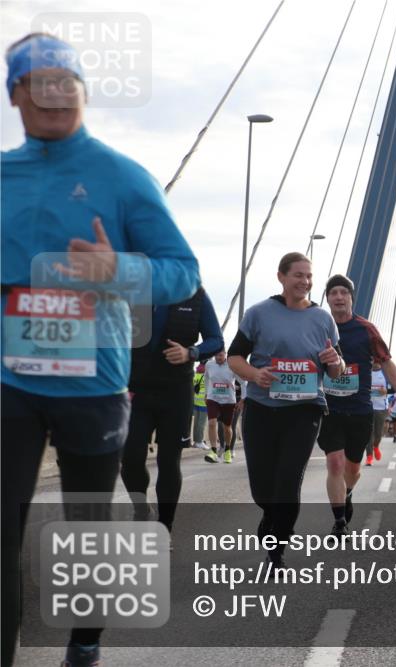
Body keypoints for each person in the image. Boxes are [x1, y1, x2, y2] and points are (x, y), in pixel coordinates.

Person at [1, 32, 200, 667]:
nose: (56, 94)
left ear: (84, 92)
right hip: (10, 383)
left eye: (69, 82)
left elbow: (183, 272)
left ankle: (84, 644)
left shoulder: (121, 176)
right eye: (41, 82)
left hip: (94, 383)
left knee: (85, 533)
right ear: (16, 94)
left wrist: (117, 272)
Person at [227, 253, 344, 572]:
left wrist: (334, 362)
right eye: (298, 275)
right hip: (262, 408)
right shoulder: (258, 314)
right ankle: (271, 514)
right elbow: (234, 357)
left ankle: (277, 548)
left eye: (309, 276)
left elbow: (336, 370)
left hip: (305, 410)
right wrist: (254, 374)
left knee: (289, 477)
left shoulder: (323, 319)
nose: (305, 281)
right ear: (281, 277)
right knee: (263, 486)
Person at [121, 286, 223, 531]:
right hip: (135, 390)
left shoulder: (195, 295)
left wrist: (191, 352)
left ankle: (165, 527)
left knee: (169, 461)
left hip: (175, 392)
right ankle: (141, 508)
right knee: (131, 459)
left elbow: (216, 339)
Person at [319, 275, 396, 539]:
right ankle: (339, 522)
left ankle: (346, 492)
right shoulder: (319, 327)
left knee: (353, 470)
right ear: (328, 299)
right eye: (333, 292)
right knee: (334, 463)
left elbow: (387, 361)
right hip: (329, 408)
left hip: (359, 409)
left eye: (343, 292)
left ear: (351, 298)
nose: (338, 297)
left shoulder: (366, 328)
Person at [202, 349, 239, 463]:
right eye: (216, 355)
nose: (218, 357)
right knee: (212, 423)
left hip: (228, 400)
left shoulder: (232, 365)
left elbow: (242, 381)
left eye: (221, 355)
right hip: (213, 398)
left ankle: (227, 449)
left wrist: (243, 398)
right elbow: (207, 378)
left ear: (225, 354)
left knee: (227, 427)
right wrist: (206, 393)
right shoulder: (209, 364)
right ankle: (213, 451)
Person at [367, 362, 389, 466]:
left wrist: (385, 391)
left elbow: (392, 388)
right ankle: (369, 457)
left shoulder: (385, 373)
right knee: (369, 433)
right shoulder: (366, 371)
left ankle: (376, 446)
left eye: (377, 360)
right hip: (368, 407)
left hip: (381, 407)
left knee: (378, 434)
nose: (374, 362)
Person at [192, 362, 210, 449]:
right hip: (204, 402)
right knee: (201, 423)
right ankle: (199, 441)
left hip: (196, 401)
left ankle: (195, 441)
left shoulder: (196, 374)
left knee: (196, 422)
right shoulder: (206, 375)